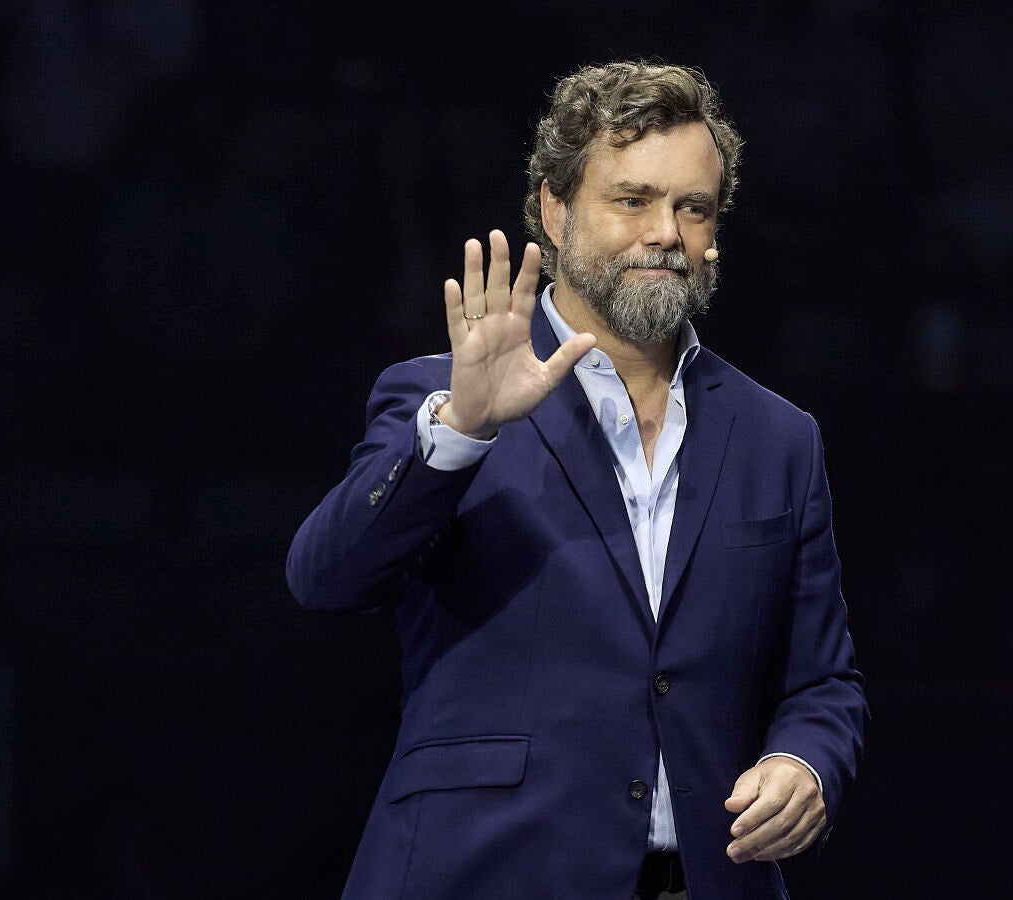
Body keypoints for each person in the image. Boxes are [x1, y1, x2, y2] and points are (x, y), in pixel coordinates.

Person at [287, 60, 867, 899]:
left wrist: (804, 764)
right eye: (632, 200)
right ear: (555, 210)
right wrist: (462, 431)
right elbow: (324, 578)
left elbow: (823, 684)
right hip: (486, 875)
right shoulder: (442, 398)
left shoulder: (779, 437)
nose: (665, 232)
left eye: (693, 207)